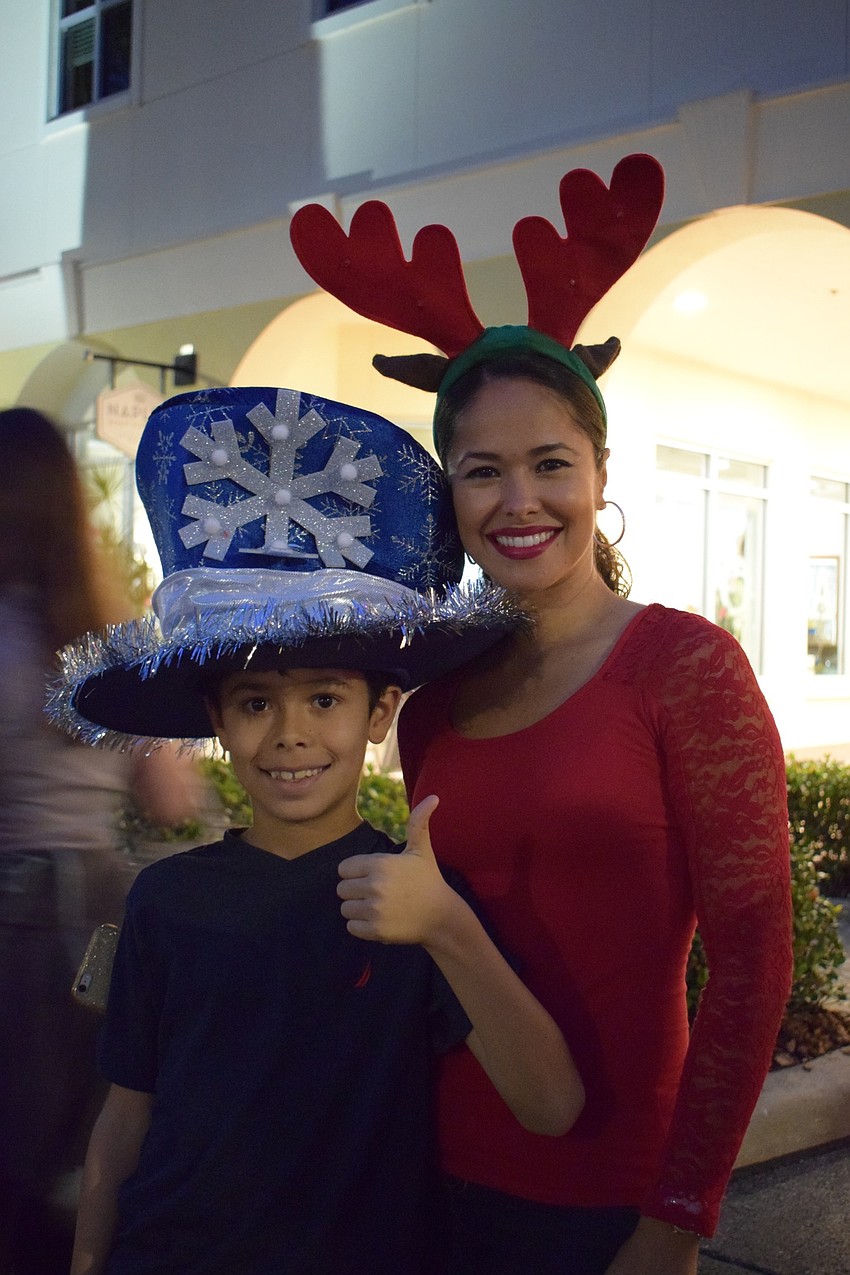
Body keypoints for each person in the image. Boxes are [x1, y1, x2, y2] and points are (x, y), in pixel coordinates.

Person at [289, 154, 794, 1275]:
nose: (519, 502)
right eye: (481, 472)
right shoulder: (435, 701)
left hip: (612, 1194)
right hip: (433, 1169)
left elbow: (756, 961)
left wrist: (676, 1217)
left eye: (550, 463)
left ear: (598, 471)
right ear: (450, 493)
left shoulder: (684, 670)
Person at [53, 385, 584, 1275]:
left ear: (381, 712)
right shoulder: (166, 900)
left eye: (327, 698)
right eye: (255, 702)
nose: (290, 733)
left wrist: (446, 926)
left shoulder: (414, 898)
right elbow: (124, 1120)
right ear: (217, 719)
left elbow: (552, 1103)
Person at [0, 407, 202, 1275]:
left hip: (16, 921)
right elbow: (174, 799)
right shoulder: (114, 637)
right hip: (108, 917)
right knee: (94, 1151)